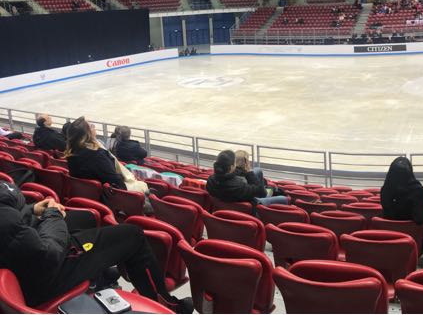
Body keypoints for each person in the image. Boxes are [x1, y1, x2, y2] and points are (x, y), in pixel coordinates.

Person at [0, 181, 193, 313]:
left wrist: (31, 210)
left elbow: (10, 220)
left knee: (87, 218)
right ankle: (164, 301)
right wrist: (52, 214)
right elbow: (48, 252)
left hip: (24, 253)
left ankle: (100, 275)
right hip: (46, 272)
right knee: (132, 235)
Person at [206, 150, 287, 206]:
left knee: (257, 170)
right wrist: (248, 172)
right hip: (249, 205)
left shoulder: (210, 180)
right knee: (283, 199)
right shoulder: (240, 185)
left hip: (226, 203)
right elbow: (262, 193)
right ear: (231, 167)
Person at [65, 117, 126, 190]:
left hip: (84, 193)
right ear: (87, 133)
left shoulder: (71, 153)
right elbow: (116, 182)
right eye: (92, 126)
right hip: (104, 196)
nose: (94, 127)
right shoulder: (98, 155)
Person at [380, 157, 423, 225]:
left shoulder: (385, 190)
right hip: (412, 233)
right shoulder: (418, 190)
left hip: (388, 233)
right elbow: (420, 219)